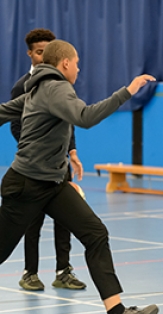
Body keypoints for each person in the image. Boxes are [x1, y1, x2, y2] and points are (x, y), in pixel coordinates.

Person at [0, 39, 158, 314]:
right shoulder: (55, 87)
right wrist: (128, 91)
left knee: (95, 234)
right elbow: (85, 117)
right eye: (77, 63)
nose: (79, 68)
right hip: (26, 184)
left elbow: (3, 111)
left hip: (52, 184)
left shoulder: (38, 87)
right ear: (65, 64)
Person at [12, 28, 86, 292]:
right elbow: (17, 125)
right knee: (33, 221)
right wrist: (36, 151)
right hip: (33, 168)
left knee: (65, 219)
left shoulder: (62, 84)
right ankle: (30, 272)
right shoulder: (23, 87)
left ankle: (63, 271)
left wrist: (72, 152)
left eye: (48, 51)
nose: (44, 56)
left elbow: (70, 119)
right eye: (39, 51)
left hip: (59, 165)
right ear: (30, 53)